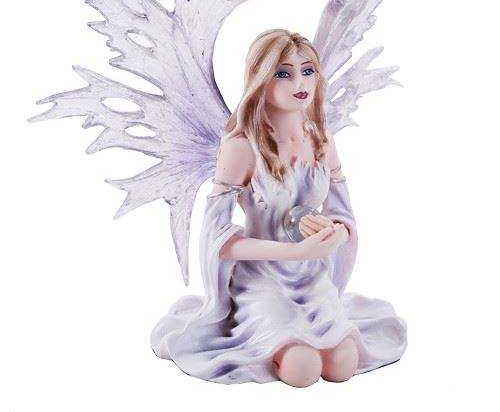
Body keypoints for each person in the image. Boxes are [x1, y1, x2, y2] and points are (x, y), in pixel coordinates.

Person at [151, 29, 407, 386]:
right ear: (261, 78)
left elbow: (343, 214)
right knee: (302, 369)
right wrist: (293, 251)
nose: (299, 83)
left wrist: (334, 235)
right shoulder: (241, 147)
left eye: (308, 71)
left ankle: (305, 333)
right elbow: (218, 239)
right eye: (283, 73)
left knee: (343, 364)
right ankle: (264, 337)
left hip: (312, 276)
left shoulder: (322, 140)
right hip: (261, 278)